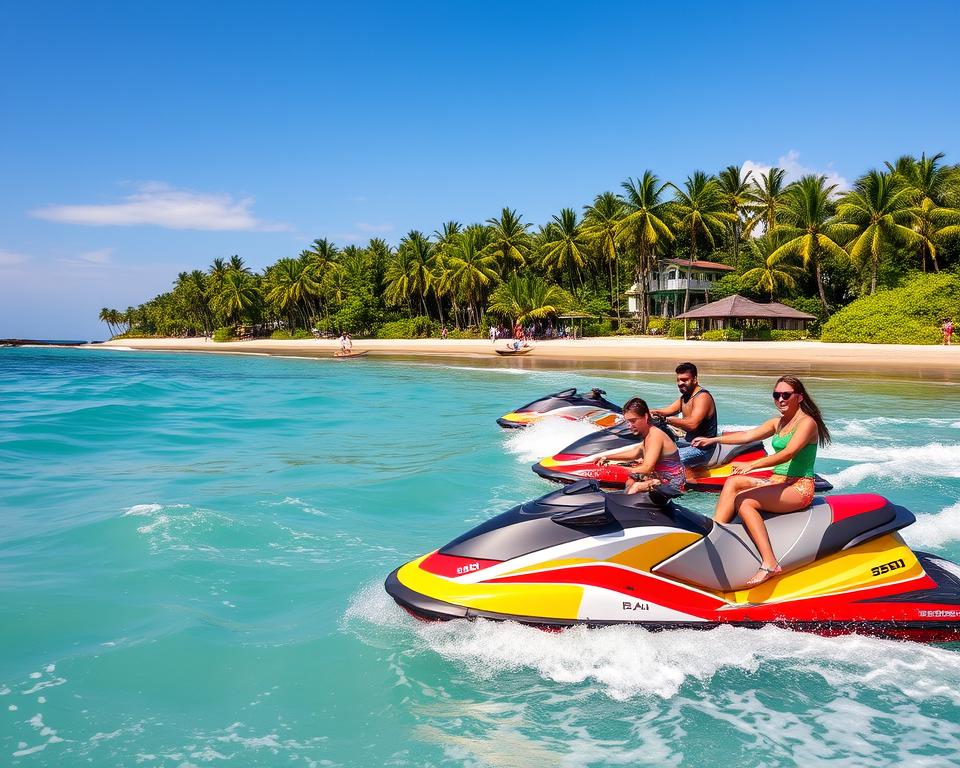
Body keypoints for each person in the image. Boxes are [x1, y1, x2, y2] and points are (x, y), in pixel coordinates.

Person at [691, 375, 831, 586]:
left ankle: (769, 563)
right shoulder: (779, 422)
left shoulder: (807, 423)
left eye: (786, 395)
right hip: (778, 482)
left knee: (745, 502)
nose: (780, 399)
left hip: (799, 487)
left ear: (799, 397)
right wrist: (714, 439)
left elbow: (788, 453)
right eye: (776, 395)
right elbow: (748, 436)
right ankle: (715, 533)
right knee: (733, 482)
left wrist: (753, 465)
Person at [583, 397, 686, 496]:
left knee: (636, 486)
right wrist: (607, 457)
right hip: (660, 477)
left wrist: (616, 468)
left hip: (673, 484)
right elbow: (636, 452)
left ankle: (625, 508)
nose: (629, 425)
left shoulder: (655, 435)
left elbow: (647, 468)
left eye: (633, 421)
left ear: (645, 417)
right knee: (631, 479)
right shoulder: (649, 434)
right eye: (627, 421)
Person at [650, 362, 718, 467]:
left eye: (684, 380)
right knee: (652, 450)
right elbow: (665, 411)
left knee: (663, 460)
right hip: (688, 442)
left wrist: (667, 420)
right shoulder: (685, 397)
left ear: (695, 379)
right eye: (678, 380)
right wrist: (645, 412)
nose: (680, 383)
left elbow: (692, 424)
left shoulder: (702, 397)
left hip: (703, 449)